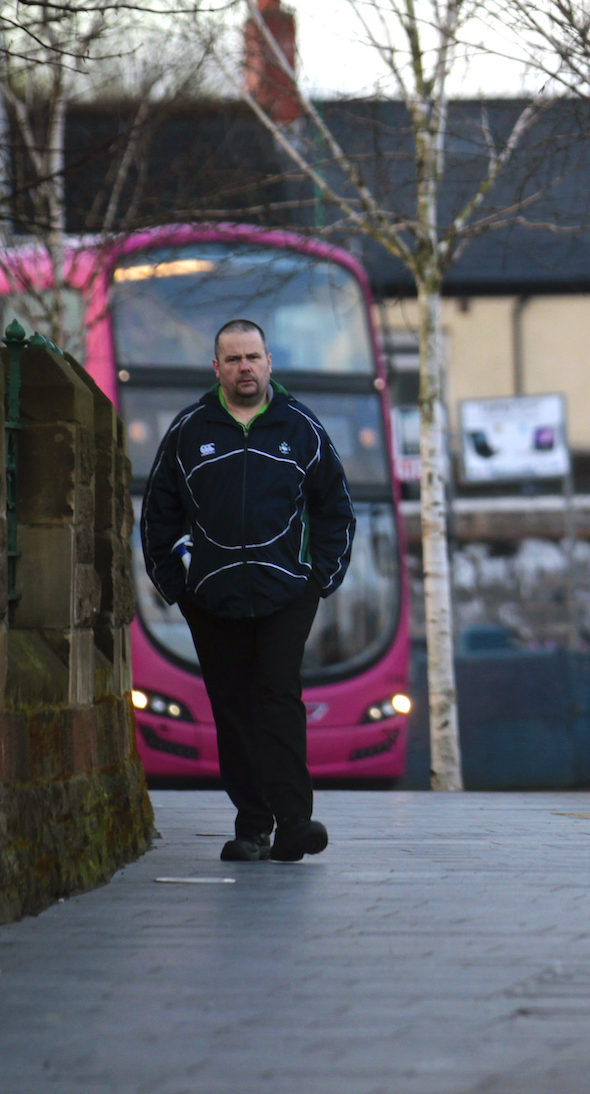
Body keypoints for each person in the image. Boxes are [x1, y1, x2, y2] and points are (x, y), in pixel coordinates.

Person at [141, 319, 355, 864]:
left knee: (278, 698)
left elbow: (336, 508)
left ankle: (295, 823)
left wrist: (320, 577)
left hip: (287, 592)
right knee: (233, 709)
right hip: (212, 598)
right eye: (233, 359)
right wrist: (175, 585)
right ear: (216, 368)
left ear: (268, 363)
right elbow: (158, 512)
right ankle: (252, 827)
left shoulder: (301, 427)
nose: (244, 368)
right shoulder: (189, 430)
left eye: (253, 357)